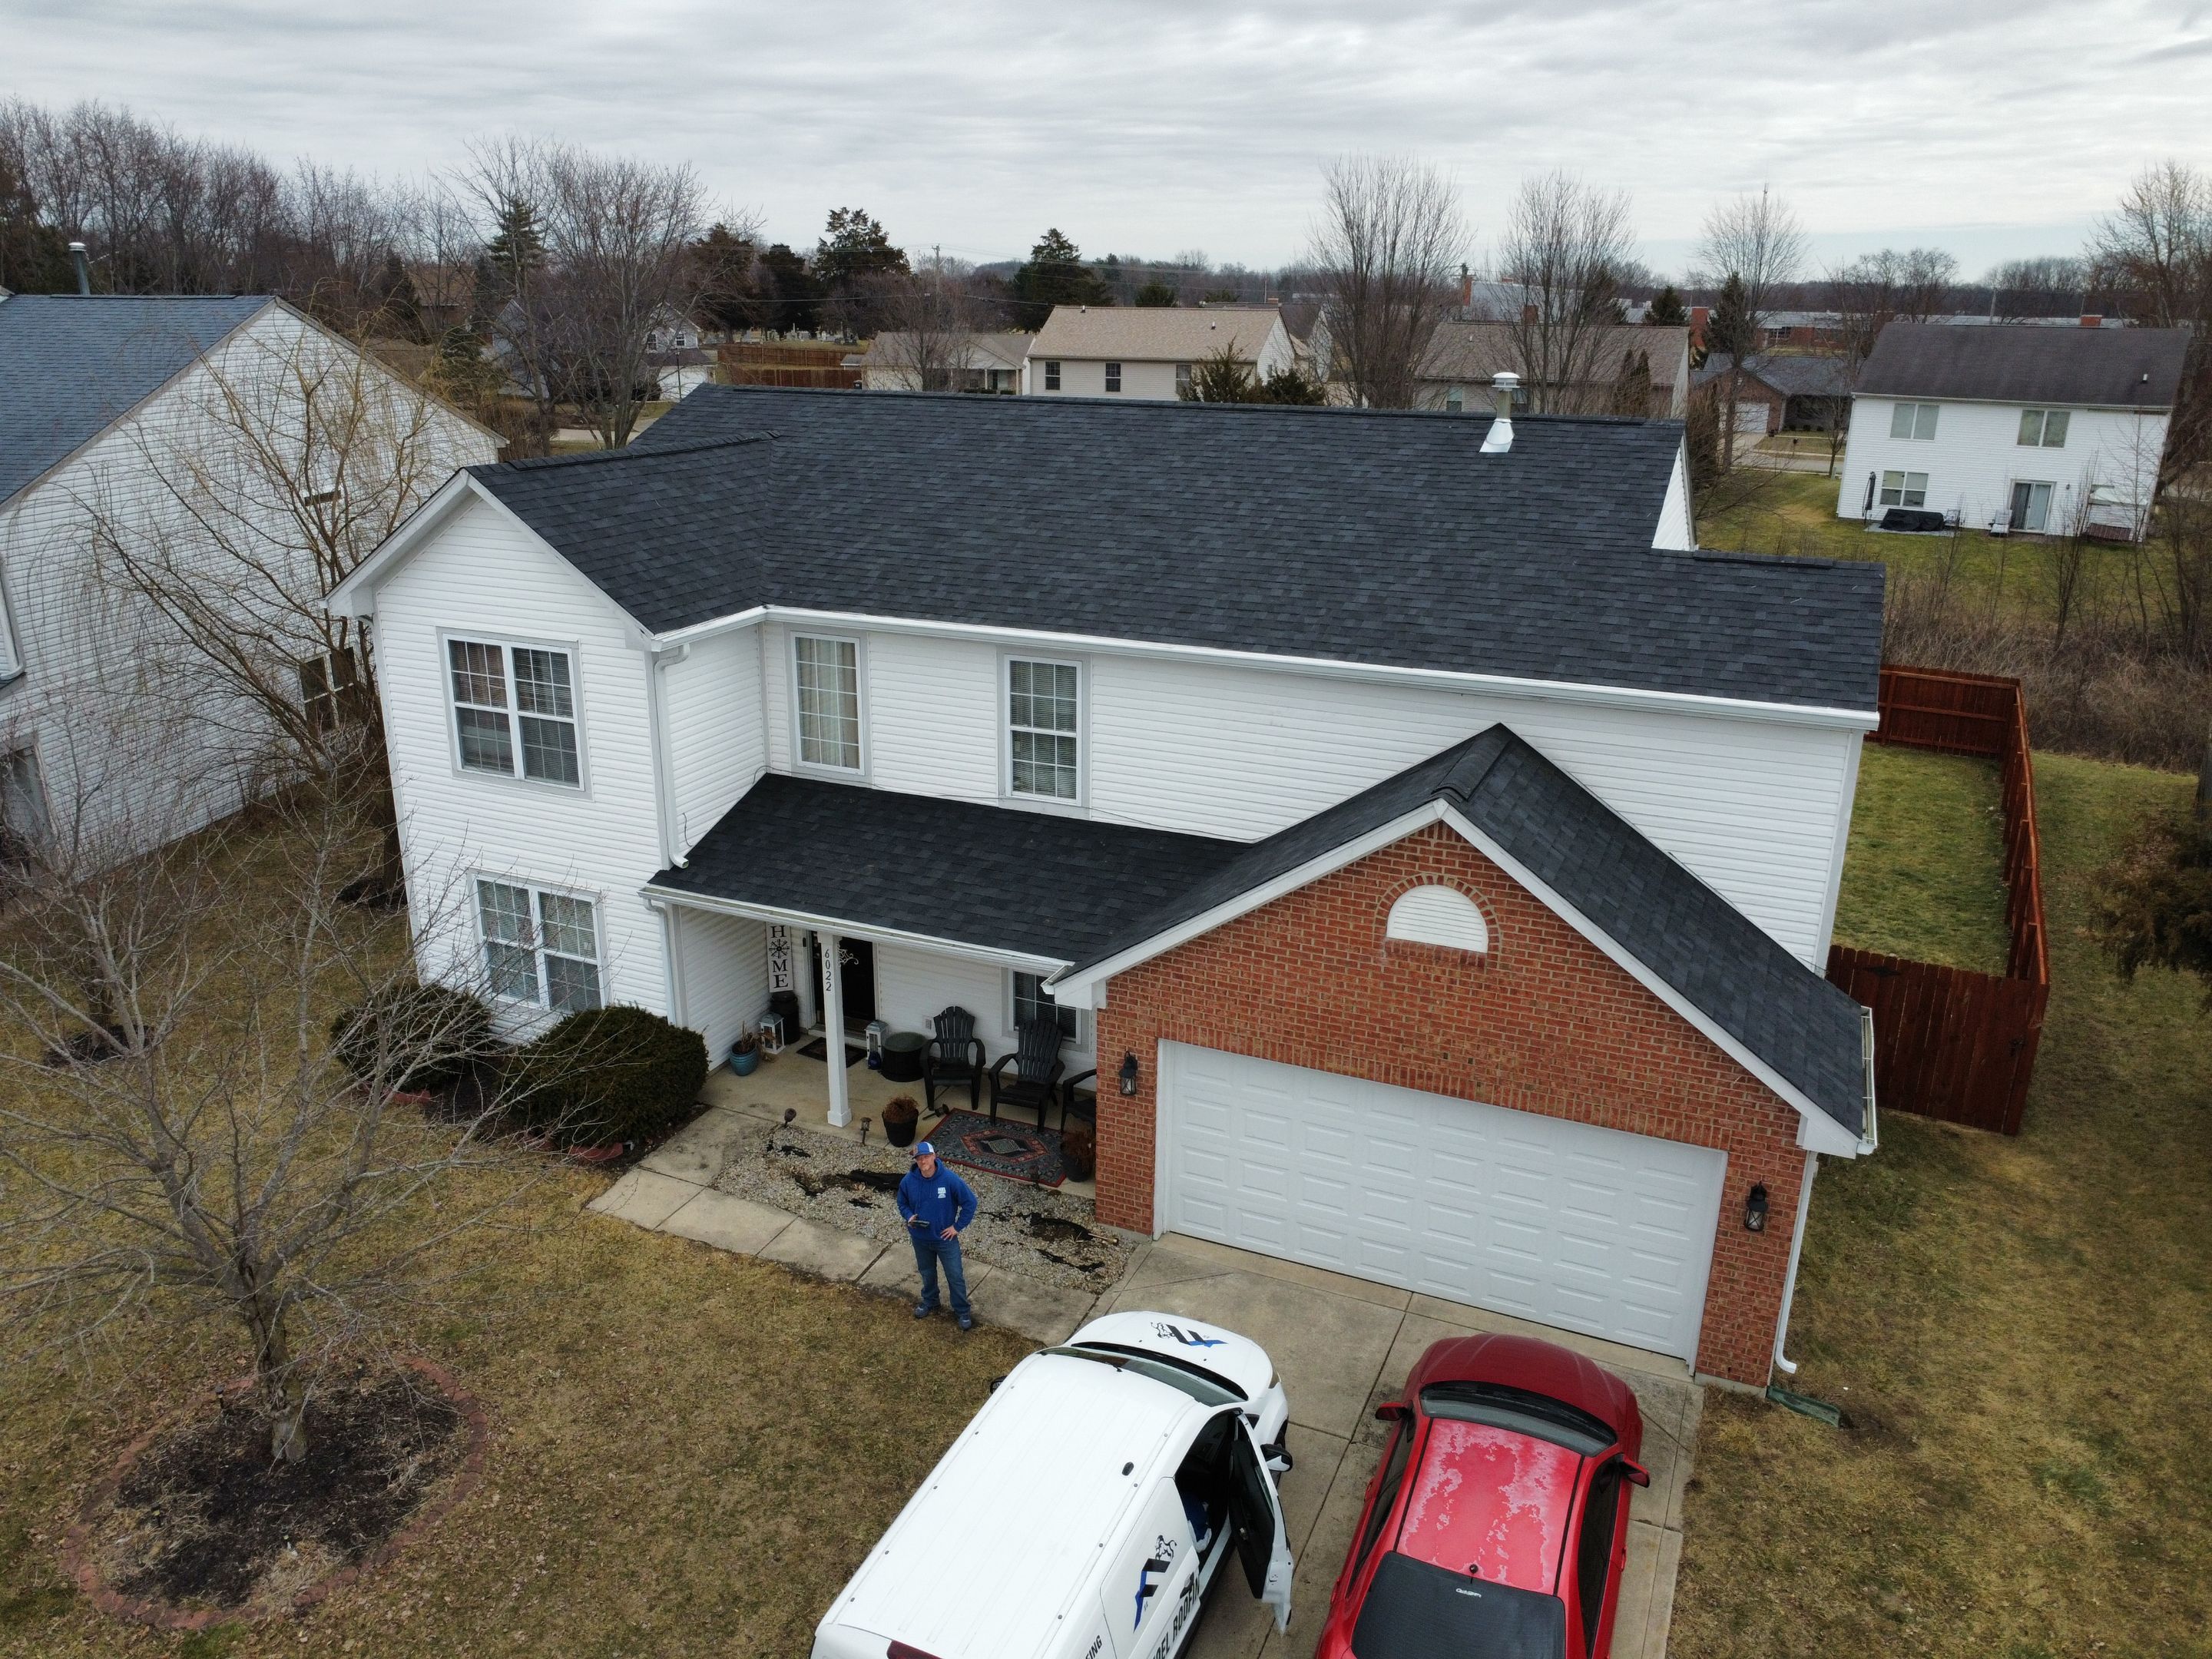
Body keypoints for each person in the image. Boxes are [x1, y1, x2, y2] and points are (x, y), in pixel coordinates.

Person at [897, 1141, 978, 1330]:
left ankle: (962, 1311)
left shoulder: (950, 1180)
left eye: (926, 1157)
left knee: (955, 1275)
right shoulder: (908, 1181)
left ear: (934, 1157)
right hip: (920, 1238)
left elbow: (970, 1203)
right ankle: (931, 1301)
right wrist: (909, 1216)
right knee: (927, 1272)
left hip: (945, 1240)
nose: (922, 1161)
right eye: (919, 1158)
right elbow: (902, 1203)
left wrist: (957, 1227)